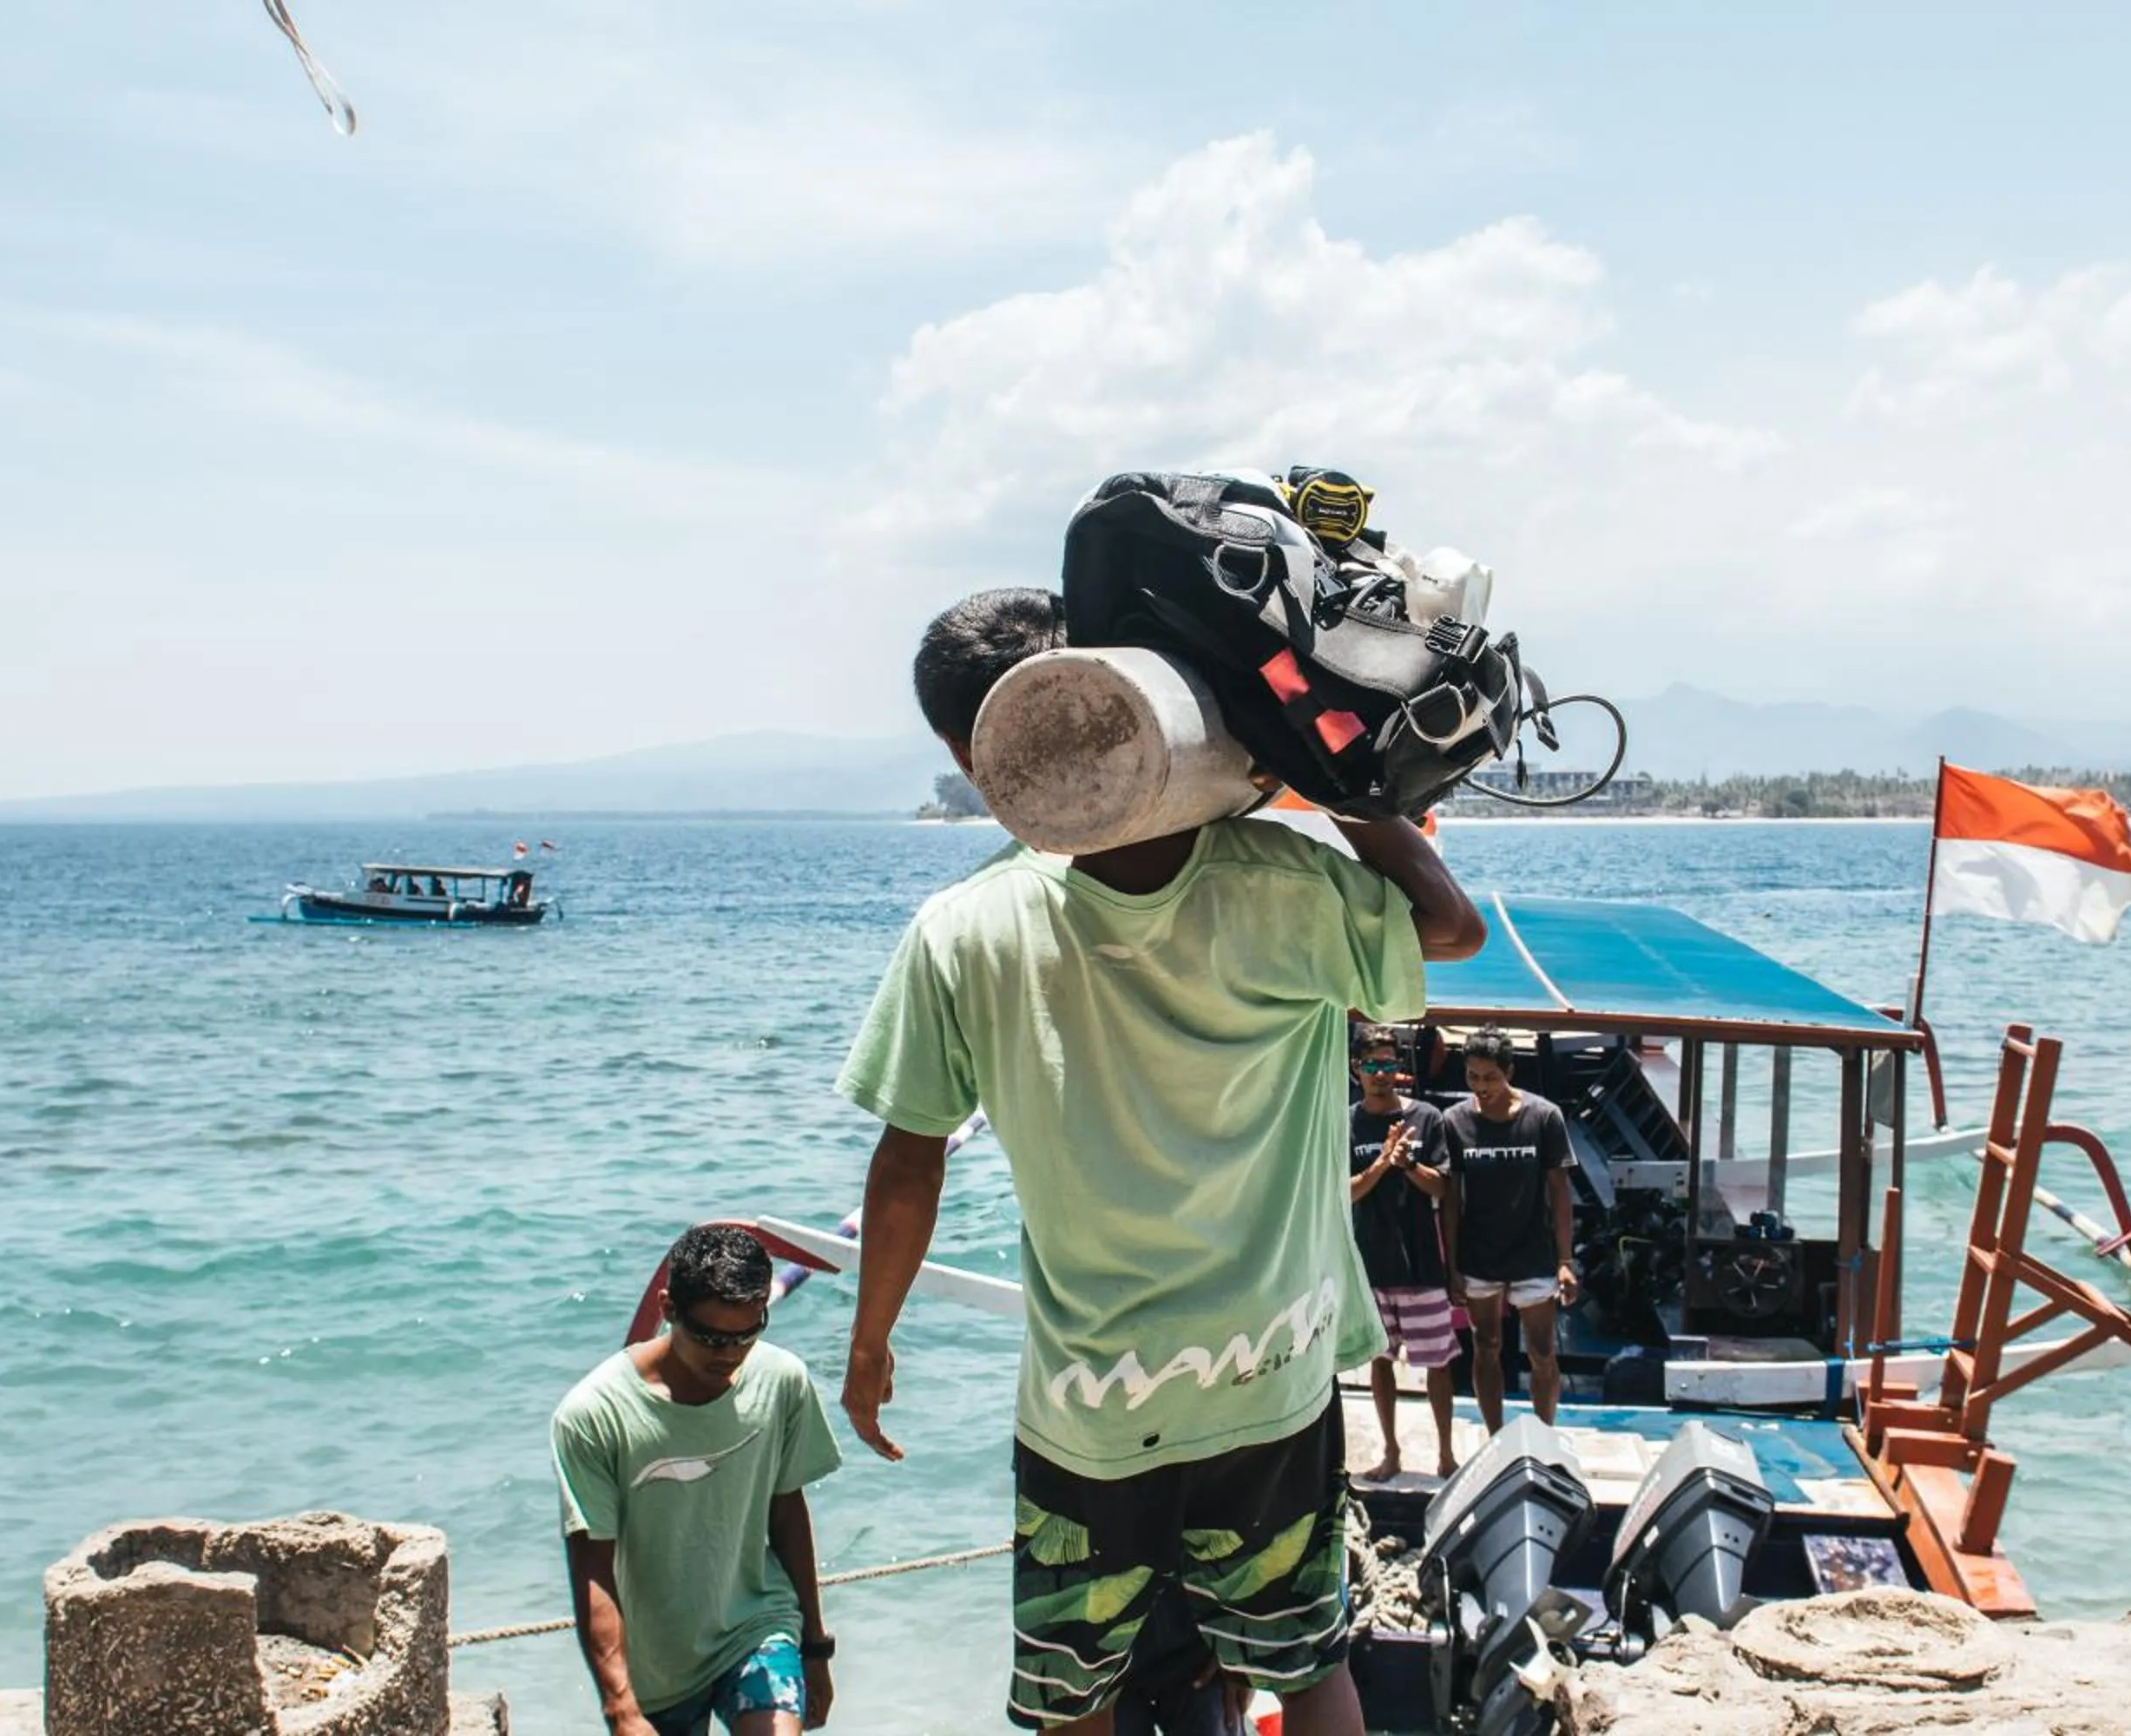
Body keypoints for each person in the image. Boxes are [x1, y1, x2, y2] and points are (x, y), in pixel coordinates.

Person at [836, 588, 1484, 1735]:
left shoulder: (963, 930)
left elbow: (910, 1160)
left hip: (1094, 1400)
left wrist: (872, 1341)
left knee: (1073, 1695)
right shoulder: (1286, 878)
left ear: (967, 752)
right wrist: (1322, 759)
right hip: (1272, 1373)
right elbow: (1448, 923)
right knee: (1305, 1665)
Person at [553, 1224, 841, 1735]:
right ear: (667, 1309)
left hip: (757, 1626)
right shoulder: (593, 1413)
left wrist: (815, 1647)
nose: (729, 1354)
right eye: (709, 1337)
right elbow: (592, 1566)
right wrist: (619, 1706)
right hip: (656, 1665)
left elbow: (787, 1510)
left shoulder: (782, 1381)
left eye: (747, 1334)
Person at [1439, 1029, 1578, 1430]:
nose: (1481, 1087)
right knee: (1486, 1346)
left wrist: (1565, 1260)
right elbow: (1451, 1198)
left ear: (1509, 1072)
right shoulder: (1455, 1122)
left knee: (1542, 1352)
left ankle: (1544, 1434)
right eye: (1473, 1077)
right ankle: (1495, 1436)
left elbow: (1559, 1192)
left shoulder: (1544, 1117)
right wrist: (1452, 1267)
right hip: (1479, 1255)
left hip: (1533, 1254)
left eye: (1490, 1077)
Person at [1345, 1023, 1458, 1480]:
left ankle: (1447, 1456)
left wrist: (1408, 1163)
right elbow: (1345, 1193)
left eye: (1389, 1065)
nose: (1381, 1074)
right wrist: (1381, 1163)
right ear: (1357, 1070)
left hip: (1421, 1264)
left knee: (1439, 1365)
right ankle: (1390, 1453)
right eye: (1372, 1066)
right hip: (1369, 1263)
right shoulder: (1346, 1122)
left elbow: (1442, 1186)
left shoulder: (1427, 1118)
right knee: (1380, 1362)